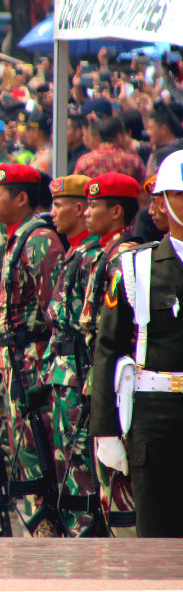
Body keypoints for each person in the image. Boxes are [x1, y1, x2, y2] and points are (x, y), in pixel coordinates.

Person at [90, 150, 183, 537]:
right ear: (162, 201)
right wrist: (105, 429)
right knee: (158, 534)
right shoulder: (136, 267)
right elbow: (108, 349)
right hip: (157, 413)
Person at [0, 162, 65, 536]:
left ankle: (46, 530)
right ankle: (35, 527)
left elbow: (54, 312)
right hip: (15, 358)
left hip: (32, 360)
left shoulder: (40, 241)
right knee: (22, 444)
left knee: (36, 446)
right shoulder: (18, 237)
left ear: (21, 199)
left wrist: (47, 375)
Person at [79, 171, 143, 536]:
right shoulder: (107, 252)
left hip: (118, 385)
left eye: (94, 206)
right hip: (100, 377)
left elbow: (115, 335)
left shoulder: (125, 257)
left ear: (116, 212)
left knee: (119, 489)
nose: (86, 212)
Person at [43, 174, 104, 535]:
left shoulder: (91, 257)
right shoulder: (74, 254)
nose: (51, 214)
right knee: (65, 457)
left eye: (58, 205)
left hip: (78, 374)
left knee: (79, 459)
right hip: (64, 373)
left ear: (79, 209)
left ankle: (84, 531)